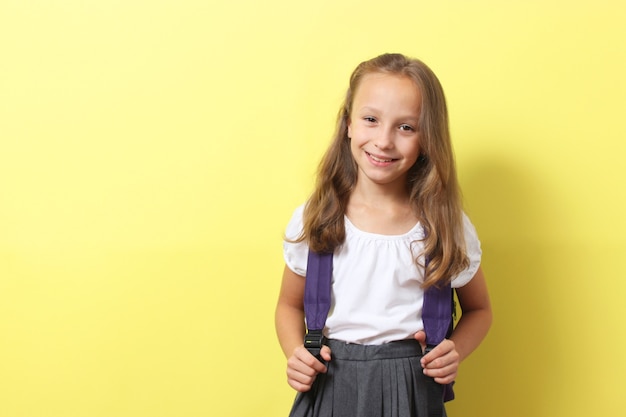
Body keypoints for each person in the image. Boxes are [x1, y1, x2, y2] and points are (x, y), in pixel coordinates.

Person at [275, 53, 492, 417]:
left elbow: (480, 309)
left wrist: (455, 350)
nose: (384, 141)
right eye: (371, 120)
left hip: (410, 386)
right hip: (328, 379)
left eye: (406, 127)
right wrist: (295, 351)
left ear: (428, 138)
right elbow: (289, 304)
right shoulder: (315, 216)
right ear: (347, 123)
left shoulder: (444, 225)